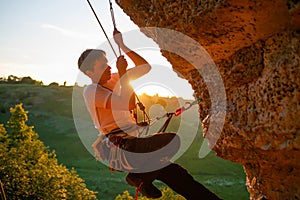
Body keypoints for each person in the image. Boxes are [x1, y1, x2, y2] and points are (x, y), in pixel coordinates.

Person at [78, 29, 220, 199]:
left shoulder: (113, 79)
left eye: (107, 63)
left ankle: (141, 177)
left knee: (179, 176)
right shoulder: (91, 91)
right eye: (102, 66)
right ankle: (140, 177)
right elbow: (128, 103)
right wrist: (123, 73)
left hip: (133, 146)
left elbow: (145, 68)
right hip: (123, 148)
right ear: (89, 73)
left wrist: (122, 45)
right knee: (171, 140)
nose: (108, 67)